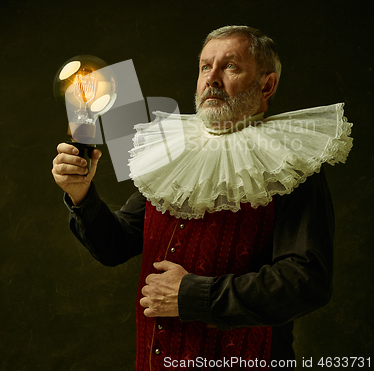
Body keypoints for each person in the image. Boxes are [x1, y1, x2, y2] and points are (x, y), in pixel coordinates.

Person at [52, 26, 352, 370]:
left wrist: (193, 295)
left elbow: (307, 281)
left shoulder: (293, 164)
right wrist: (82, 195)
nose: (212, 79)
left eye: (231, 67)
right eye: (205, 67)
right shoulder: (171, 152)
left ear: (267, 85)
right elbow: (115, 245)